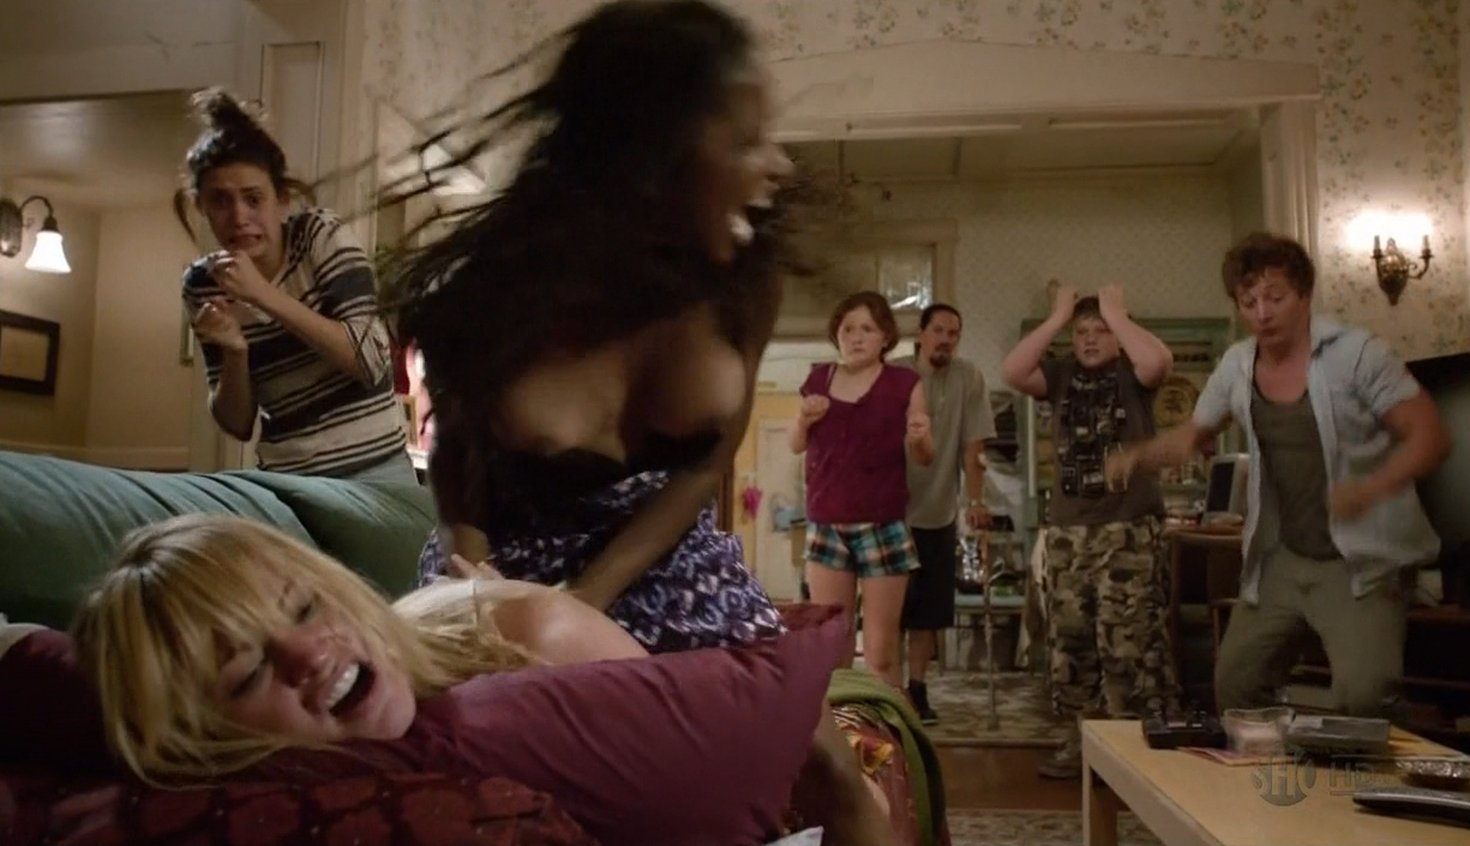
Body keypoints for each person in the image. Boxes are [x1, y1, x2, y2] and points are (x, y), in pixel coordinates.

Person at [71, 513, 891, 845]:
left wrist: (846, 795)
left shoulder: (533, 639)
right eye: (251, 670)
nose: (310, 654)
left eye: (306, 607)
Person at [393, 0, 796, 654]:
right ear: (652, 152)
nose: (780, 165)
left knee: (799, 721)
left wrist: (588, 598)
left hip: (662, 558)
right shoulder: (486, 296)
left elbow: (705, 468)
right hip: (503, 566)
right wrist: (478, 589)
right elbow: (456, 467)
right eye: (747, 140)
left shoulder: (749, 283)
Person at [1112, 232, 1451, 720]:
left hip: (1358, 562)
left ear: (1304, 295)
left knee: (1363, 698)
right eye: (1248, 302)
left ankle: (1353, 765)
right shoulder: (1237, 364)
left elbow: (1431, 436)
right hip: (1283, 558)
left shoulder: (1357, 355)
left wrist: (1370, 490)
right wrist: (1138, 455)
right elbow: (1190, 435)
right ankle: (1276, 768)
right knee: (1235, 686)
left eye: (1275, 297)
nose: (1262, 313)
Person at [176, 88, 414, 483]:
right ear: (202, 206)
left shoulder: (320, 237)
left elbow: (373, 363)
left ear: (282, 200)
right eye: (220, 201)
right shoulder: (203, 284)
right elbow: (237, 424)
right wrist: (234, 352)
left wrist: (263, 295)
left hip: (376, 472)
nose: (239, 217)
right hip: (288, 478)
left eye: (253, 199)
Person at [1002, 284, 1178, 779]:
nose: (1091, 339)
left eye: (1100, 330)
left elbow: (1159, 362)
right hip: (1068, 531)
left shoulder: (1132, 373)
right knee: (1071, 640)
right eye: (1082, 332)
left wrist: (1116, 315)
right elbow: (1013, 370)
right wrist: (1057, 317)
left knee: (1130, 641)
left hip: (1128, 529)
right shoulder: (1059, 375)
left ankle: (1131, 750)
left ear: (1119, 334)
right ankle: (1081, 740)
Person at [792, 291, 935, 691]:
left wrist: (921, 437)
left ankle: (890, 729)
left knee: (880, 653)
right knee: (831, 651)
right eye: (848, 329)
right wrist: (803, 420)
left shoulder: (904, 383)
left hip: (882, 524)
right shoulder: (818, 380)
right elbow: (795, 444)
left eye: (867, 329)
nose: (856, 337)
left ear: (885, 337)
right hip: (827, 523)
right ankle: (840, 728)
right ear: (836, 336)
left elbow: (925, 456)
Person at [889, 303, 995, 725]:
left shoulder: (969, 378)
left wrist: (975, 502)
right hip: (890, 512)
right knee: (891, 610)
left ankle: (917, 687)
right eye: (938, 331)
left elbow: (974, 447)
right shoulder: (895, 374)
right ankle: (887, 688)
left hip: (939, 511)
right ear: (920, 334)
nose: (945, 340)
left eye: (953, 333)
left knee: (928, 612)